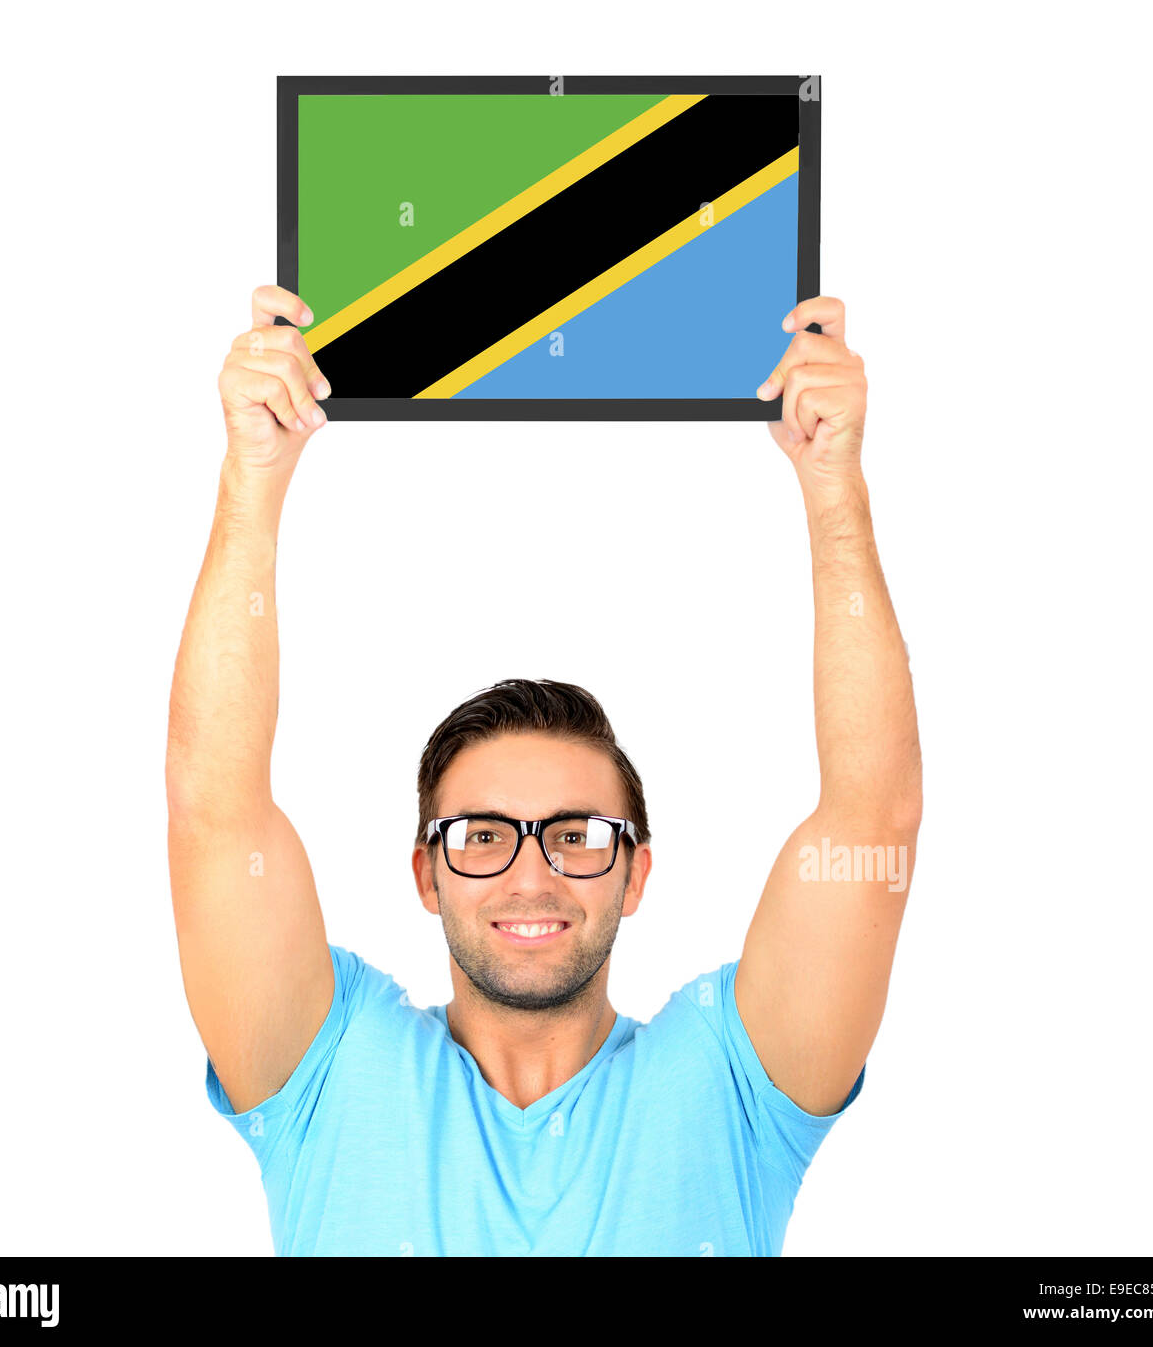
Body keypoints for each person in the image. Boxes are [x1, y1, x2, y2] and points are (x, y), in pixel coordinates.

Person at [165, 285, 922, 1256]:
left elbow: (873, 822)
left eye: (577, 835)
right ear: (424, 873)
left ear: (636, 870)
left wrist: (834, 491)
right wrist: (252, 473)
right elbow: (212, 808)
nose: (531, 873)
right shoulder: (330, 1068)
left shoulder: (728, 1086)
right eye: (480, 835)